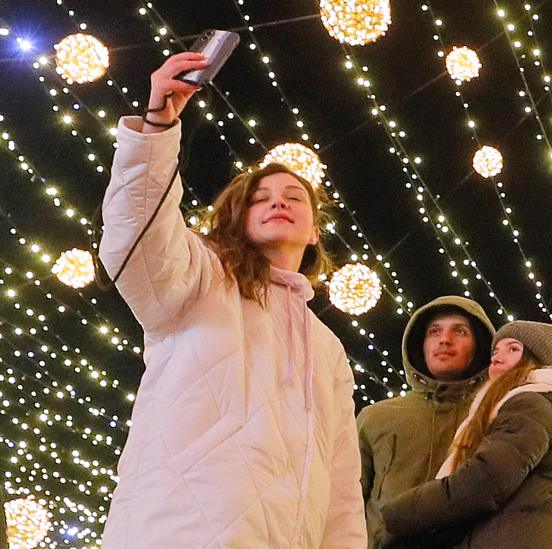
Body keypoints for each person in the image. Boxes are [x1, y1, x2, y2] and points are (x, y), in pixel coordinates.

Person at [99, 52, 365, 547]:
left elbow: (342, 483)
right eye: (261, 198)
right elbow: (135, 236)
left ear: (314, 234)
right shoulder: (200, 277)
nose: (278, 202)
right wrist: (156, 128)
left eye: (293, 197)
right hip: (180, 530)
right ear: (239, 218)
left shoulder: (327, 349)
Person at [379, 320, 552, 548]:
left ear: (540, 361)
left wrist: (396, 513)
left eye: (513, 349)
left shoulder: (532, 405)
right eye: (496, 350)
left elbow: (483, 481)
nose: (497, 356)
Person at [357, 296, 495, 547]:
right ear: (420, 344)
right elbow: (345, 500)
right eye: (434, 331)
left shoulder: (495, 418)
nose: (445, 339)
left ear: (480, 345)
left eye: (460, 331)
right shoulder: (376, 417)